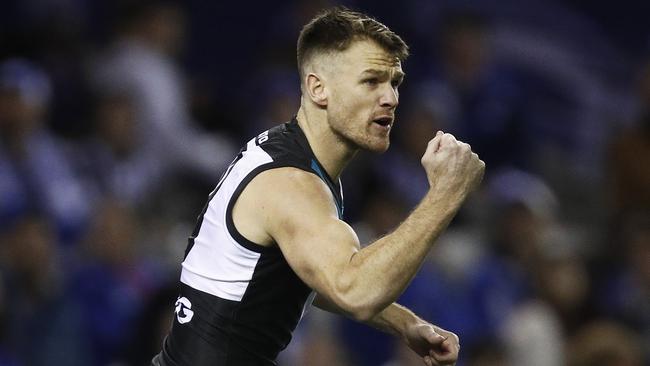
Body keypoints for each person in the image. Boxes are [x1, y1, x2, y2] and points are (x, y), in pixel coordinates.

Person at [152, 7, 484, 366]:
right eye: (371, 81)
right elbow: (353, 290)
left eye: (395, 82)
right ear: (318, 87)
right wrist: (445, 195)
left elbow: (313, 270)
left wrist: (406, 323)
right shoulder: (290, 183)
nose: (390, 98)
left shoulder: (300, 157)